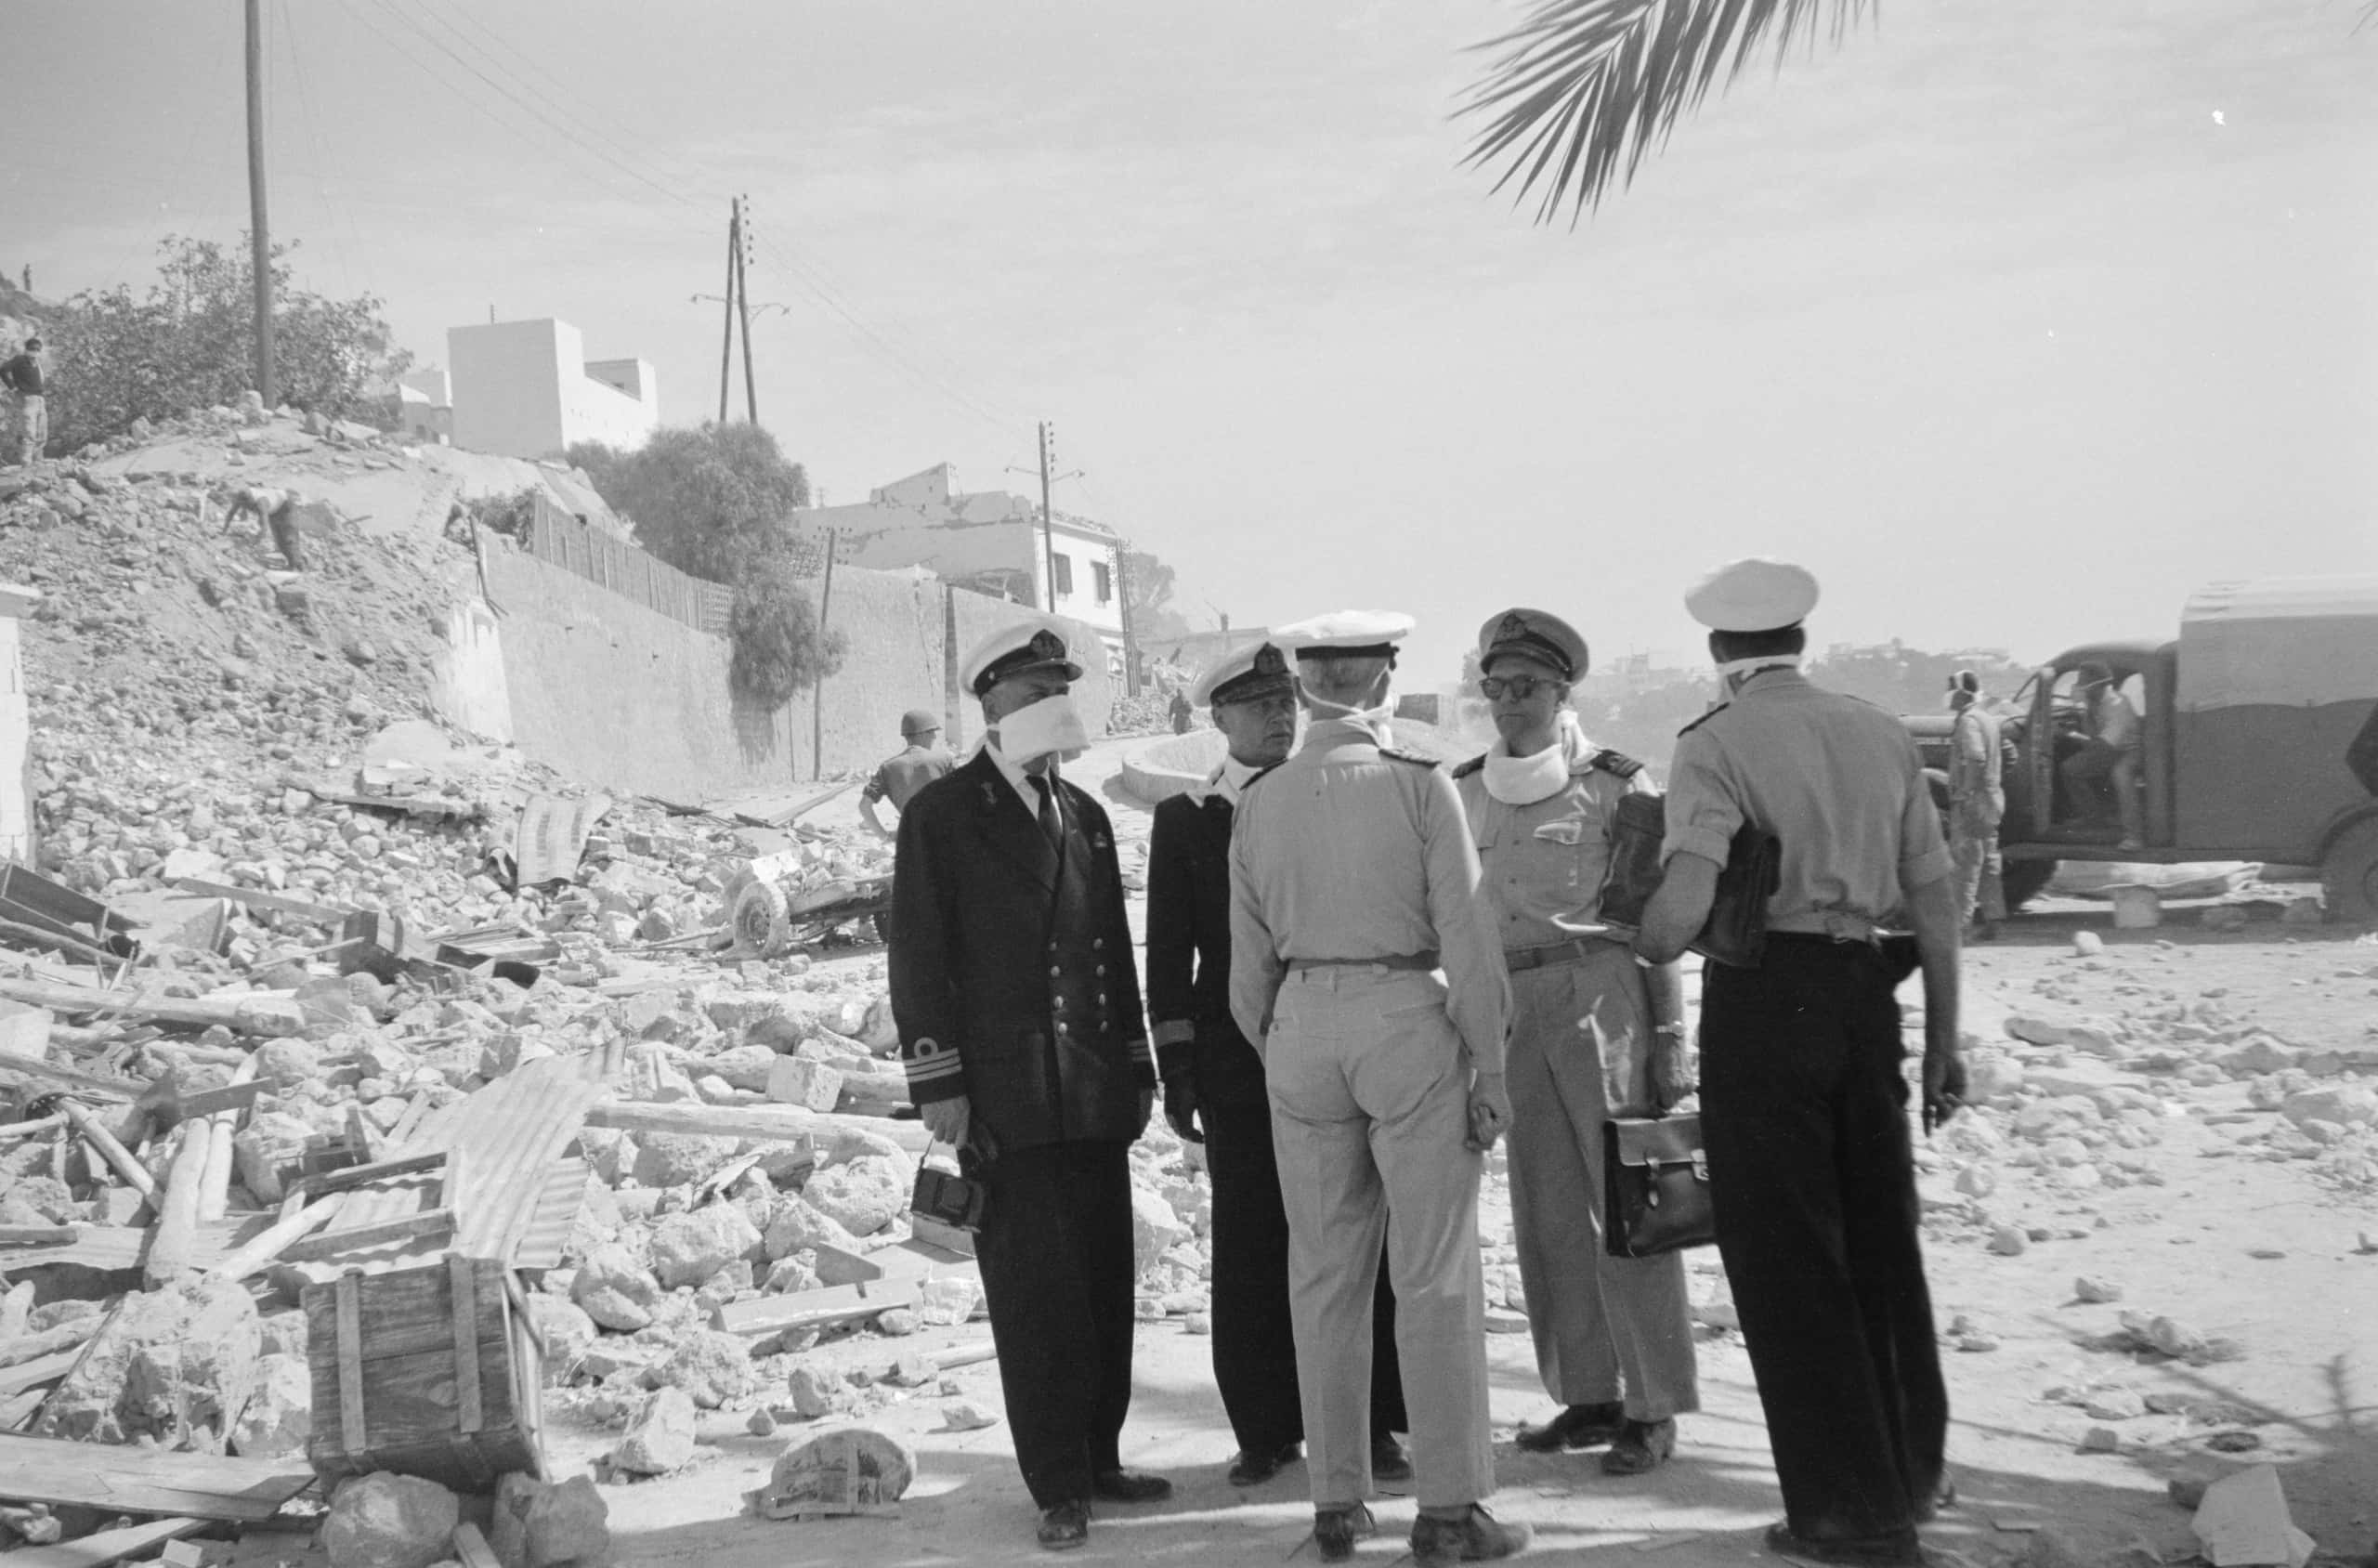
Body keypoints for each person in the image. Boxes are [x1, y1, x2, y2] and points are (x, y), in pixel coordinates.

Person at [1633, 558, 1965, 1567]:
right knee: (1880, 1241)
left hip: (1768, 1002)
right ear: (1801, 639)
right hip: (1866, 996)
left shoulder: (1714, 743)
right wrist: (1944, 1042)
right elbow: (1935, 898)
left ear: (1716, 649)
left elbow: (1682, 910)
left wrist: (1641, 935)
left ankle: (1848, 1514)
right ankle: (1909, 1475)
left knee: (1788, 1259)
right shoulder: (1879, 731)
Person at [1228, 610, 1527, 1568]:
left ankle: (1334, 1500)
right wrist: (1489, 1066)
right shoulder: (1419, 784)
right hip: (1404, 1016)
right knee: (1433, 1272)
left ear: (1304, 687)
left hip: (1300, 1024)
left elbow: (1245, 973)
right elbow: (1469, 940)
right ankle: (1449, 1509)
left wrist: (1284, 1041)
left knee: (1323, 1273)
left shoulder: (1259, 801)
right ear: (1385, 680)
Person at [888, 619, 1171, 1551]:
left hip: (1090, 1091)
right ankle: (1057, 1481)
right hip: (1005, 1097)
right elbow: (919, 960)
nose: (1057, 706)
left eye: (1062, 691)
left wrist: (1137, 1067)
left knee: (1103, 1282)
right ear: (995, 704)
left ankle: (1100, 1455)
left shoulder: (1084, 813)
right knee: (1034, 1295)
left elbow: (1113, 954)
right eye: (1040, 692)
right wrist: (939, 1083)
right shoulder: (941, 815)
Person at [1144, 641, 1411, 1492]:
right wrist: (1179, 1069)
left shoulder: (1326, 794)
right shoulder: (1186, 819)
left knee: (1354, 1231)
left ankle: (1372, 1421)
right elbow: (1170, 955)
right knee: (1253, 1237)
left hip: (1331, 1041)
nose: (1278, 716)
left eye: (1285, 701)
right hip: (1236, 1061)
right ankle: (1264, 1428)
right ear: (1218, 719)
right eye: (1258, 705)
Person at [1450, 609, 1698, 1477]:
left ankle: (1653, 1406)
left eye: (1527, 686)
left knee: (1629, 1211)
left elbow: (1654, 924)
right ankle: (1588, 1395)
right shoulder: (1465, 791)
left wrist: (1669, 1036)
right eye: (1496, 685)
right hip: (1510, 1007)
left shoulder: (1617, 787)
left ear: (1562, 692)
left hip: (1600, 999)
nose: (1508, 701)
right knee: (1546, 1212)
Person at [1946, 672, 2006, 940]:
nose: (1947, 694)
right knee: (1989, 862)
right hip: (1992, 799)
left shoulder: (1968, 721)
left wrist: (1965, 792)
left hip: (1973, 801)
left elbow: (1975, 757)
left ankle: (1959, 928)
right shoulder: (1987, 718)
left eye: (1951, 689)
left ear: (1962, 694)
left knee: (1965, 864)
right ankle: (1994, 921)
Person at [2059, 663, 2144, 849]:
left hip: (2131, 750)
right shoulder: (2096, 701)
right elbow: (2094, 737)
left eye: (2084, 686)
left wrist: (2072, 735)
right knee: (2070, 769)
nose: (2080, 689)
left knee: (2121, 774)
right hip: (2110, 748)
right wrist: (2083, 712)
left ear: (2097, 686)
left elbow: (2102, 746)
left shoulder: (2117, 706)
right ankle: (2093, 818)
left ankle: (2134, 836)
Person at [859, 710, 955, 841]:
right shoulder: (944, 760)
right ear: (922, 733)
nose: (934, 737)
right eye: (932, 732)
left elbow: (864, 806)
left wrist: (885, 837)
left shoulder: (887, 767)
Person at [223, 485, 307, 570]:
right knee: (280, 542)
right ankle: (292, 565)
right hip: (273, 511)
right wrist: (224, 531)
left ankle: (300, 566)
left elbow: (264, 528)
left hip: (286, 505)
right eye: (242, 503)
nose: (244, 506)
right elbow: (231, 513)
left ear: (251, 500)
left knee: (290, 539)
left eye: (246, 504)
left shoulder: (261, 502)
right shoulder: (240, 498)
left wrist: (255, 542)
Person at [1, 336, 45, 467]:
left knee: (41, 432)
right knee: (29, 432)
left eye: (37, 349)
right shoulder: (19, 359)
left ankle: (38, 462)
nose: (35, 351)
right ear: (26, 349)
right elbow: (3, 370)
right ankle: (26, 464)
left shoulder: (36, 363)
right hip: (27, 399)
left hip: (40, 399)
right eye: (32, 348)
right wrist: (12, 387)